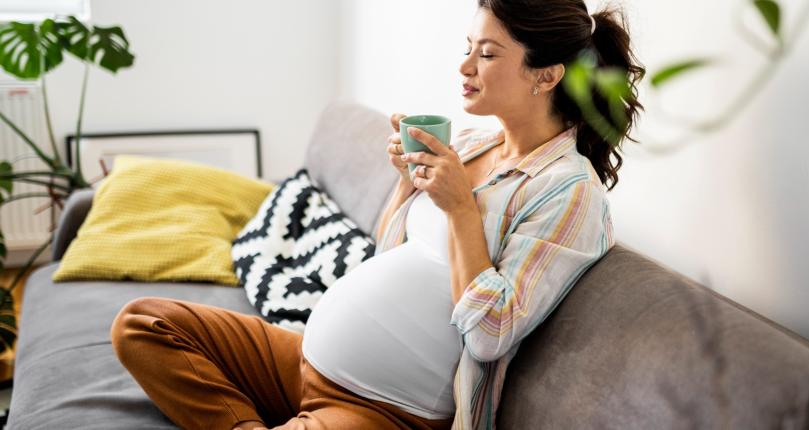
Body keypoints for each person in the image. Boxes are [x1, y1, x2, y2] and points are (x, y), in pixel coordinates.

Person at [109, 0, 644, 429]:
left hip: (383, 407)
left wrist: (460, 207)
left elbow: (492, 332)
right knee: (142, 323)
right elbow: (388, 254)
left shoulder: (569, 193)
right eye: (467, 48)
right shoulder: (474, 145)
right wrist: (404, 184)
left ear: (545, 76)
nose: (464, 66)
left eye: (487, 53)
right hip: (304, 360)